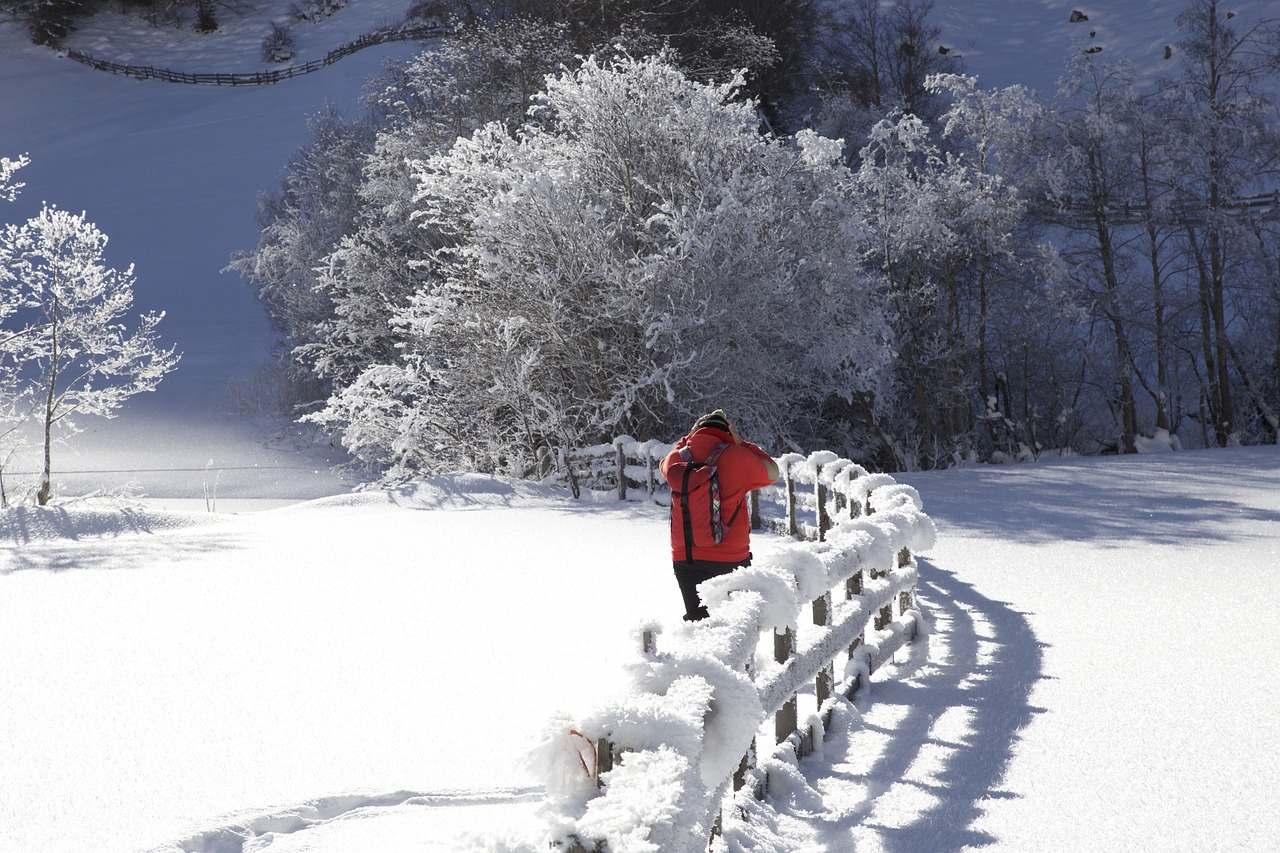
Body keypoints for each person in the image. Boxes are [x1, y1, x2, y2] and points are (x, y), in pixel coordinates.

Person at [660, 409, 780, 621]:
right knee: (736, 626)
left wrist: (687, 440)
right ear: (727, 432)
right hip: (731, 558)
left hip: (685, 557)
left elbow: (664, 466)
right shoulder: (737, 456)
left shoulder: (677, 458)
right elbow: (772, 471)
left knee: (698, 624)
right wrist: (741, 443)